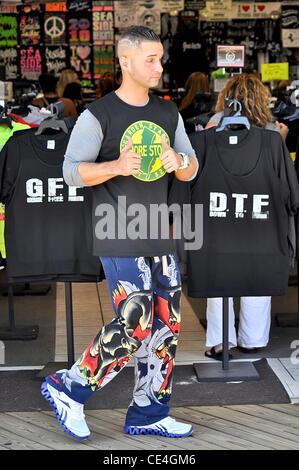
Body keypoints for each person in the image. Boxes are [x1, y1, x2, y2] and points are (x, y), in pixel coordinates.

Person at [41, 25, 198, 441]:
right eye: (151, 59)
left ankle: (150, 412)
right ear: (125, 61)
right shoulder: (98, 115)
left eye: (160, 58)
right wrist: (115, 166)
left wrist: (176, 158)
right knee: (138, 321)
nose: (158, 66)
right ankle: (70, 388)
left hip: (158, 233)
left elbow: (193, 168)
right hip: (117, 231)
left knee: (167, 324)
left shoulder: (168, 113)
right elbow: (71, 172)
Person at [203, 73, 289, 360]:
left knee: (219, 273)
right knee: (258, 272)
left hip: (219, 211)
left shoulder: (214, 124)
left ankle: (220, 341)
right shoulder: (271, 131)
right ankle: (252, 339)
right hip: (260, 213)